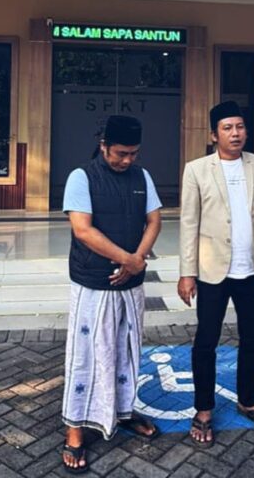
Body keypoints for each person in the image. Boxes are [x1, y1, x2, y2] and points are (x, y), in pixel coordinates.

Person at [178, 100, 254, 445]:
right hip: (212, 271)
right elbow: (189, 223)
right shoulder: (196, 170)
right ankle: (203, 409)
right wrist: (186, 273)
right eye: (227, 128)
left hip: (251, 271)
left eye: (240, 127)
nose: (235, 133)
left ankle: (248, 401)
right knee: (206, 341)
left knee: (253, 338)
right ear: (214, 135)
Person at [61, 114, 162, 472]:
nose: (127, 160)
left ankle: (123, 411)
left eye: (133, 153)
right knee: (86, 355)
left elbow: (154, 220)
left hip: (130, 285)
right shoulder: (81, 177)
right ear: (103, 146)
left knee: (127, 351)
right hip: (93, 283)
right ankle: (75, 429)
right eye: (120, 153)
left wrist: (136, 261)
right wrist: (128, 259)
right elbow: (83, 230)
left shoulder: (142, 176)